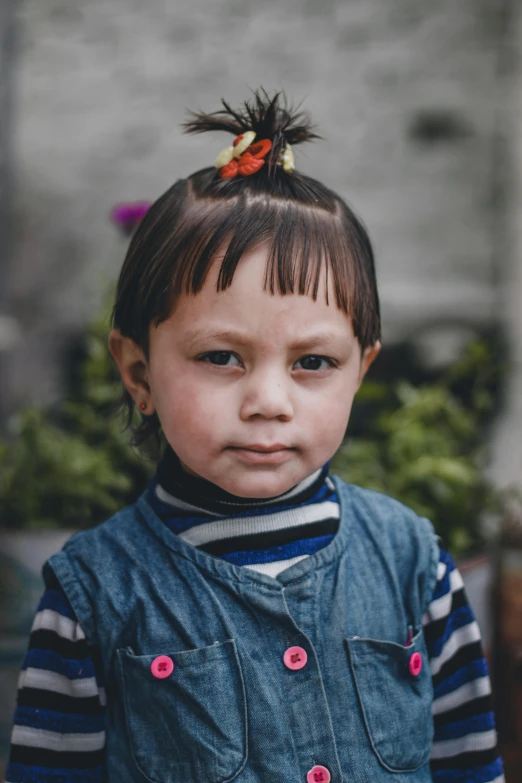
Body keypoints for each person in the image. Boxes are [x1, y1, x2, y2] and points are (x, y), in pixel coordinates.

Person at [6, 90, 505, 783]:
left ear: (360, 372)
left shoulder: (415, 564)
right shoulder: (93, 597)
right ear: (137, 372)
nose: (268, 401)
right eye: (221, 357)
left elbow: (469, 763)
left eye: (313, 363)